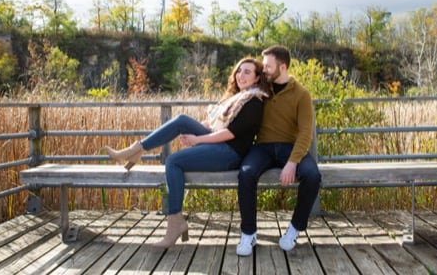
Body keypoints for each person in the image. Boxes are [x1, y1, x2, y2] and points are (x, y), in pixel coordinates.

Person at [105, 57, 271, 248]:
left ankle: (175, 222)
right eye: (239, 71)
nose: (241, 75)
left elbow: (230, 133)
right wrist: (193, 131)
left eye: (247, 72)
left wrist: (197, 140)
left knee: (174, 161)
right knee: (182, 120)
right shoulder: (234, 99)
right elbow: (211, 125)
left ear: (257, 78)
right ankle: (137, 149)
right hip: (217, 143)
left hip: (229, 153)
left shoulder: (253, 101)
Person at [236, 45, 321, 256]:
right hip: (262, 147)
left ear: (282, 67)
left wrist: (292, 162)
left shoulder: (302, 94)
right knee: (245, 173)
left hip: (290, 149)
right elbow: (236, 98)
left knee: (312, 175)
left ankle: (294, 229)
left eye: (267, 66)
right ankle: (249, 234)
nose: (263, 70)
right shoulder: (262, 89)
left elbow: (305, 133)